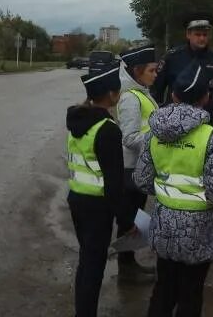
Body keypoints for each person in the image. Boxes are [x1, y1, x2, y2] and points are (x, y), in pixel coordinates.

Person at [134, 60, 213, 317]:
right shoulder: (212, 138)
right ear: (206, 98)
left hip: (164, 227)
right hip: (200, 233)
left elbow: (142, 180)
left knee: (164, 289)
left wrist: (169, 190)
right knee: (191, 293)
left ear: (174, 95)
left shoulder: (153, 134)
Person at [66, 63, 131, 317]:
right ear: (112, 94)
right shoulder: (107, 130)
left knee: (87, 261)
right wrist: (128, 220)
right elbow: (114, 185)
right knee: (93, 267)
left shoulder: (79, 121)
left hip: (77, 200)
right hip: (97, 208)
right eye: (118, 91)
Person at [114, 44, 159, 283]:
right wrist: (160, 138)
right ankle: (126, 268)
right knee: (128, 219)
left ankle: (129, 263)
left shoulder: (142, 92)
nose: (156, 74)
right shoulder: (130, 98)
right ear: (138, 71)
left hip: (139, 167)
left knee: (134, 215)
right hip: (130, 168)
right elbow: (129, 138)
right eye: (152, 70)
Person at [151, 11, 213, 128]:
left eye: (205, 35)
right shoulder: (172, 57)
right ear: (188, 34)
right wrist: (162, 109)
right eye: (198, 34)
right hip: (175, 121)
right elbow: (156, 86)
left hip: (206, 120)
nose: (202, 38)